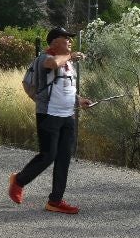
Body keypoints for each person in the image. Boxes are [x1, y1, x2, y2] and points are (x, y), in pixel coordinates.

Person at [9, 27, 90, 214]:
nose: (70, 41)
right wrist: (71, 56)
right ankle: (19, 181)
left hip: (67, 115)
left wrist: (79, 100)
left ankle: (55, 201)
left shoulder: (69, 64)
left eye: (71, 38)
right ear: (54, 42)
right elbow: (52, 64)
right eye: (66, 38)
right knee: (48, 155)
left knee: (64, 158)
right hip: (49, 114)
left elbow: (65, 86)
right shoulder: (43, 58)